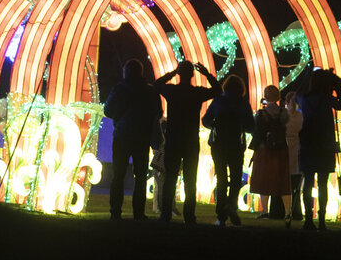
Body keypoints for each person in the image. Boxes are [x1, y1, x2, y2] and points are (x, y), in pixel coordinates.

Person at [155, 60, 219, 224]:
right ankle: (189, 215)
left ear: (179, 74)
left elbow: (157, 84)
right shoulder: (197, 93)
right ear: (192, 74)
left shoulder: (172, 91)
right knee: (190, 179)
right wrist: (206, 74)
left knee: (170, 178)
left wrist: (172, 73)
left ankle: (166, 214)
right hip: (190, 140)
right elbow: (218, 90)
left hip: (174, 139)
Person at [104, 59, 162, 220]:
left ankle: (115, 211)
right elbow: (158, 111)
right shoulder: (150, 91)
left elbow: (108, 111)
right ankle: (138, 212)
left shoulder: (119, 89)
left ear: (125, 72)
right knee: (141, 176)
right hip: (142, 137)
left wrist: (120, 114)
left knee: (118, 175)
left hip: (122, 135)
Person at [202, 74, 255, 226]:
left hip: (218, 144)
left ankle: (221, 213)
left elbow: (205, 120)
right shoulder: (243, 103)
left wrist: (215, 125)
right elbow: (251, 126)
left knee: (222, 177)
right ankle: (232, 206)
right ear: (241, 89)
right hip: (236, 146)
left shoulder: (218, 101)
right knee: (236, 177)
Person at [295, 68, 341, 231]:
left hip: (308, 141)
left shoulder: (304, 97)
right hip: (325, 142)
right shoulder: (326, 98)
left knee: (308, 182)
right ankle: (321, 220)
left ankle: (308, 219)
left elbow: (297, 93)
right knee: (322, 183)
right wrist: (338, 88)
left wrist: (308, 75)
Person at [249, 85, 293, 228]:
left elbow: (256, 131)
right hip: (281, 148)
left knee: (264, 179)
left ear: (266, 97)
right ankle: (288, 212)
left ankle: (265, 211)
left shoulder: (261, 114)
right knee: (283, 180)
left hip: (264, 149)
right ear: (278, 97)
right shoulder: (284, 113)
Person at [284, 91, 304, 220]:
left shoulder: (301, 116)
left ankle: (295, 210)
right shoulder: (283, 115)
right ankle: (285, 210)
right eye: (293, 102)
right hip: (285, 147)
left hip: (296, 147)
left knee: (296, 179)